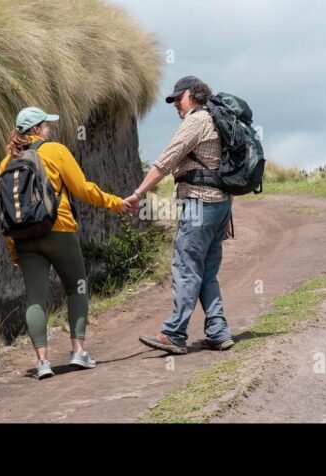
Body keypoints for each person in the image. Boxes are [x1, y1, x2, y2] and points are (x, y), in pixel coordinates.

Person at [0, 107, 134, 379]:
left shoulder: (5, 163)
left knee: (36, 299)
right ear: (36, 129)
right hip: (58, 229)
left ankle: (42, 362)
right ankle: (78, 352)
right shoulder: (55, 150)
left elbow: (8, 211)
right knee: (77, 287)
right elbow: (83, 189)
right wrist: (116, 203)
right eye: (46, 125)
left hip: (24, 238)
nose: (49, 129)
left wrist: (14, 250)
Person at [125, 76, 235, 355]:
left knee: (186, 269)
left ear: (193, 95)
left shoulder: (196, 121)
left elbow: (166, 161)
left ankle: (174, 333)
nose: (175, 103)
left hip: (199, 205)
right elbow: (227, 169)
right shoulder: (218, 119)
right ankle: (218, 332)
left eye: (179, 97)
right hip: (220, 205)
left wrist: (138, 194)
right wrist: (228, 213)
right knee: (207, 272)